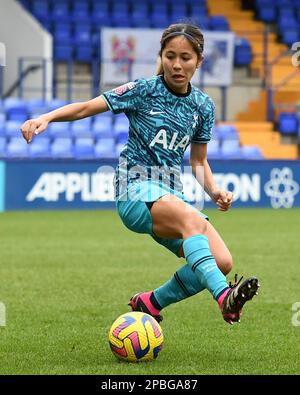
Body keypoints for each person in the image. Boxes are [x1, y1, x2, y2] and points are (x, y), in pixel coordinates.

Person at [21, 23, 260, 326]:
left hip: (172, 196)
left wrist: (214, 191)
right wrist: (46, 118)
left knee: (222, 261)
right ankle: (225, 298)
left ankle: (151, 302)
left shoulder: (203, 106)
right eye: (170, 55)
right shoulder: (143, 90)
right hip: (134, 190)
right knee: (193, 222)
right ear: (162, 55)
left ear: (199, 61)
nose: (177, 64)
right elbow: (85, 108)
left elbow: (199, 160)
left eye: (185, 57)